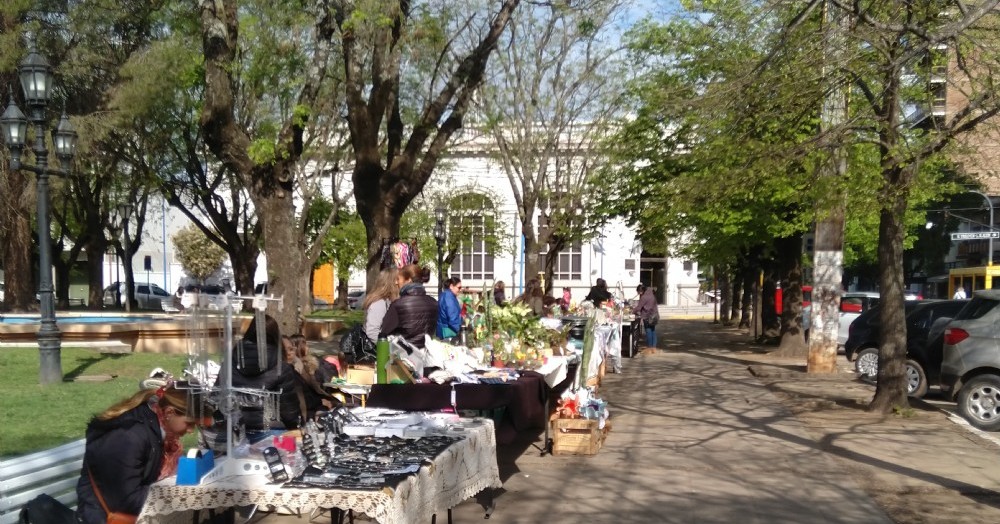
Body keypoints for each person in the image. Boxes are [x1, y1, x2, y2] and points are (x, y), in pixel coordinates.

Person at [76, 383, 198, 524]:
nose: (191, 430)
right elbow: (126, 500)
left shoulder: (155, 428)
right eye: (189, 423)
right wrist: (178, 492)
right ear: (169, 412)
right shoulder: (127, 437)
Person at [225, 314, 302, 438]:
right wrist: (297, 427)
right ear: (276, 336)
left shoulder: (230, 362)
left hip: (235, 430)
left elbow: (217, 396)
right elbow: (289, 411)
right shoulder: (281, 368)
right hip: (272, 430)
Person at [380, 264, 438, 349]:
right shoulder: (434, 303)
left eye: (398, 279)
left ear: (409, 280)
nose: (396, 283)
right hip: (426, 354)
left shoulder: (398, 305)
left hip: (404, 355)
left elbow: (384, 333)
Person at [363, 268, 399, 343]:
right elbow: (372, 332)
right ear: (393, 283)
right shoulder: (379, 303)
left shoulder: (386, 301)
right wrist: (388, 348)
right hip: (379, 351)